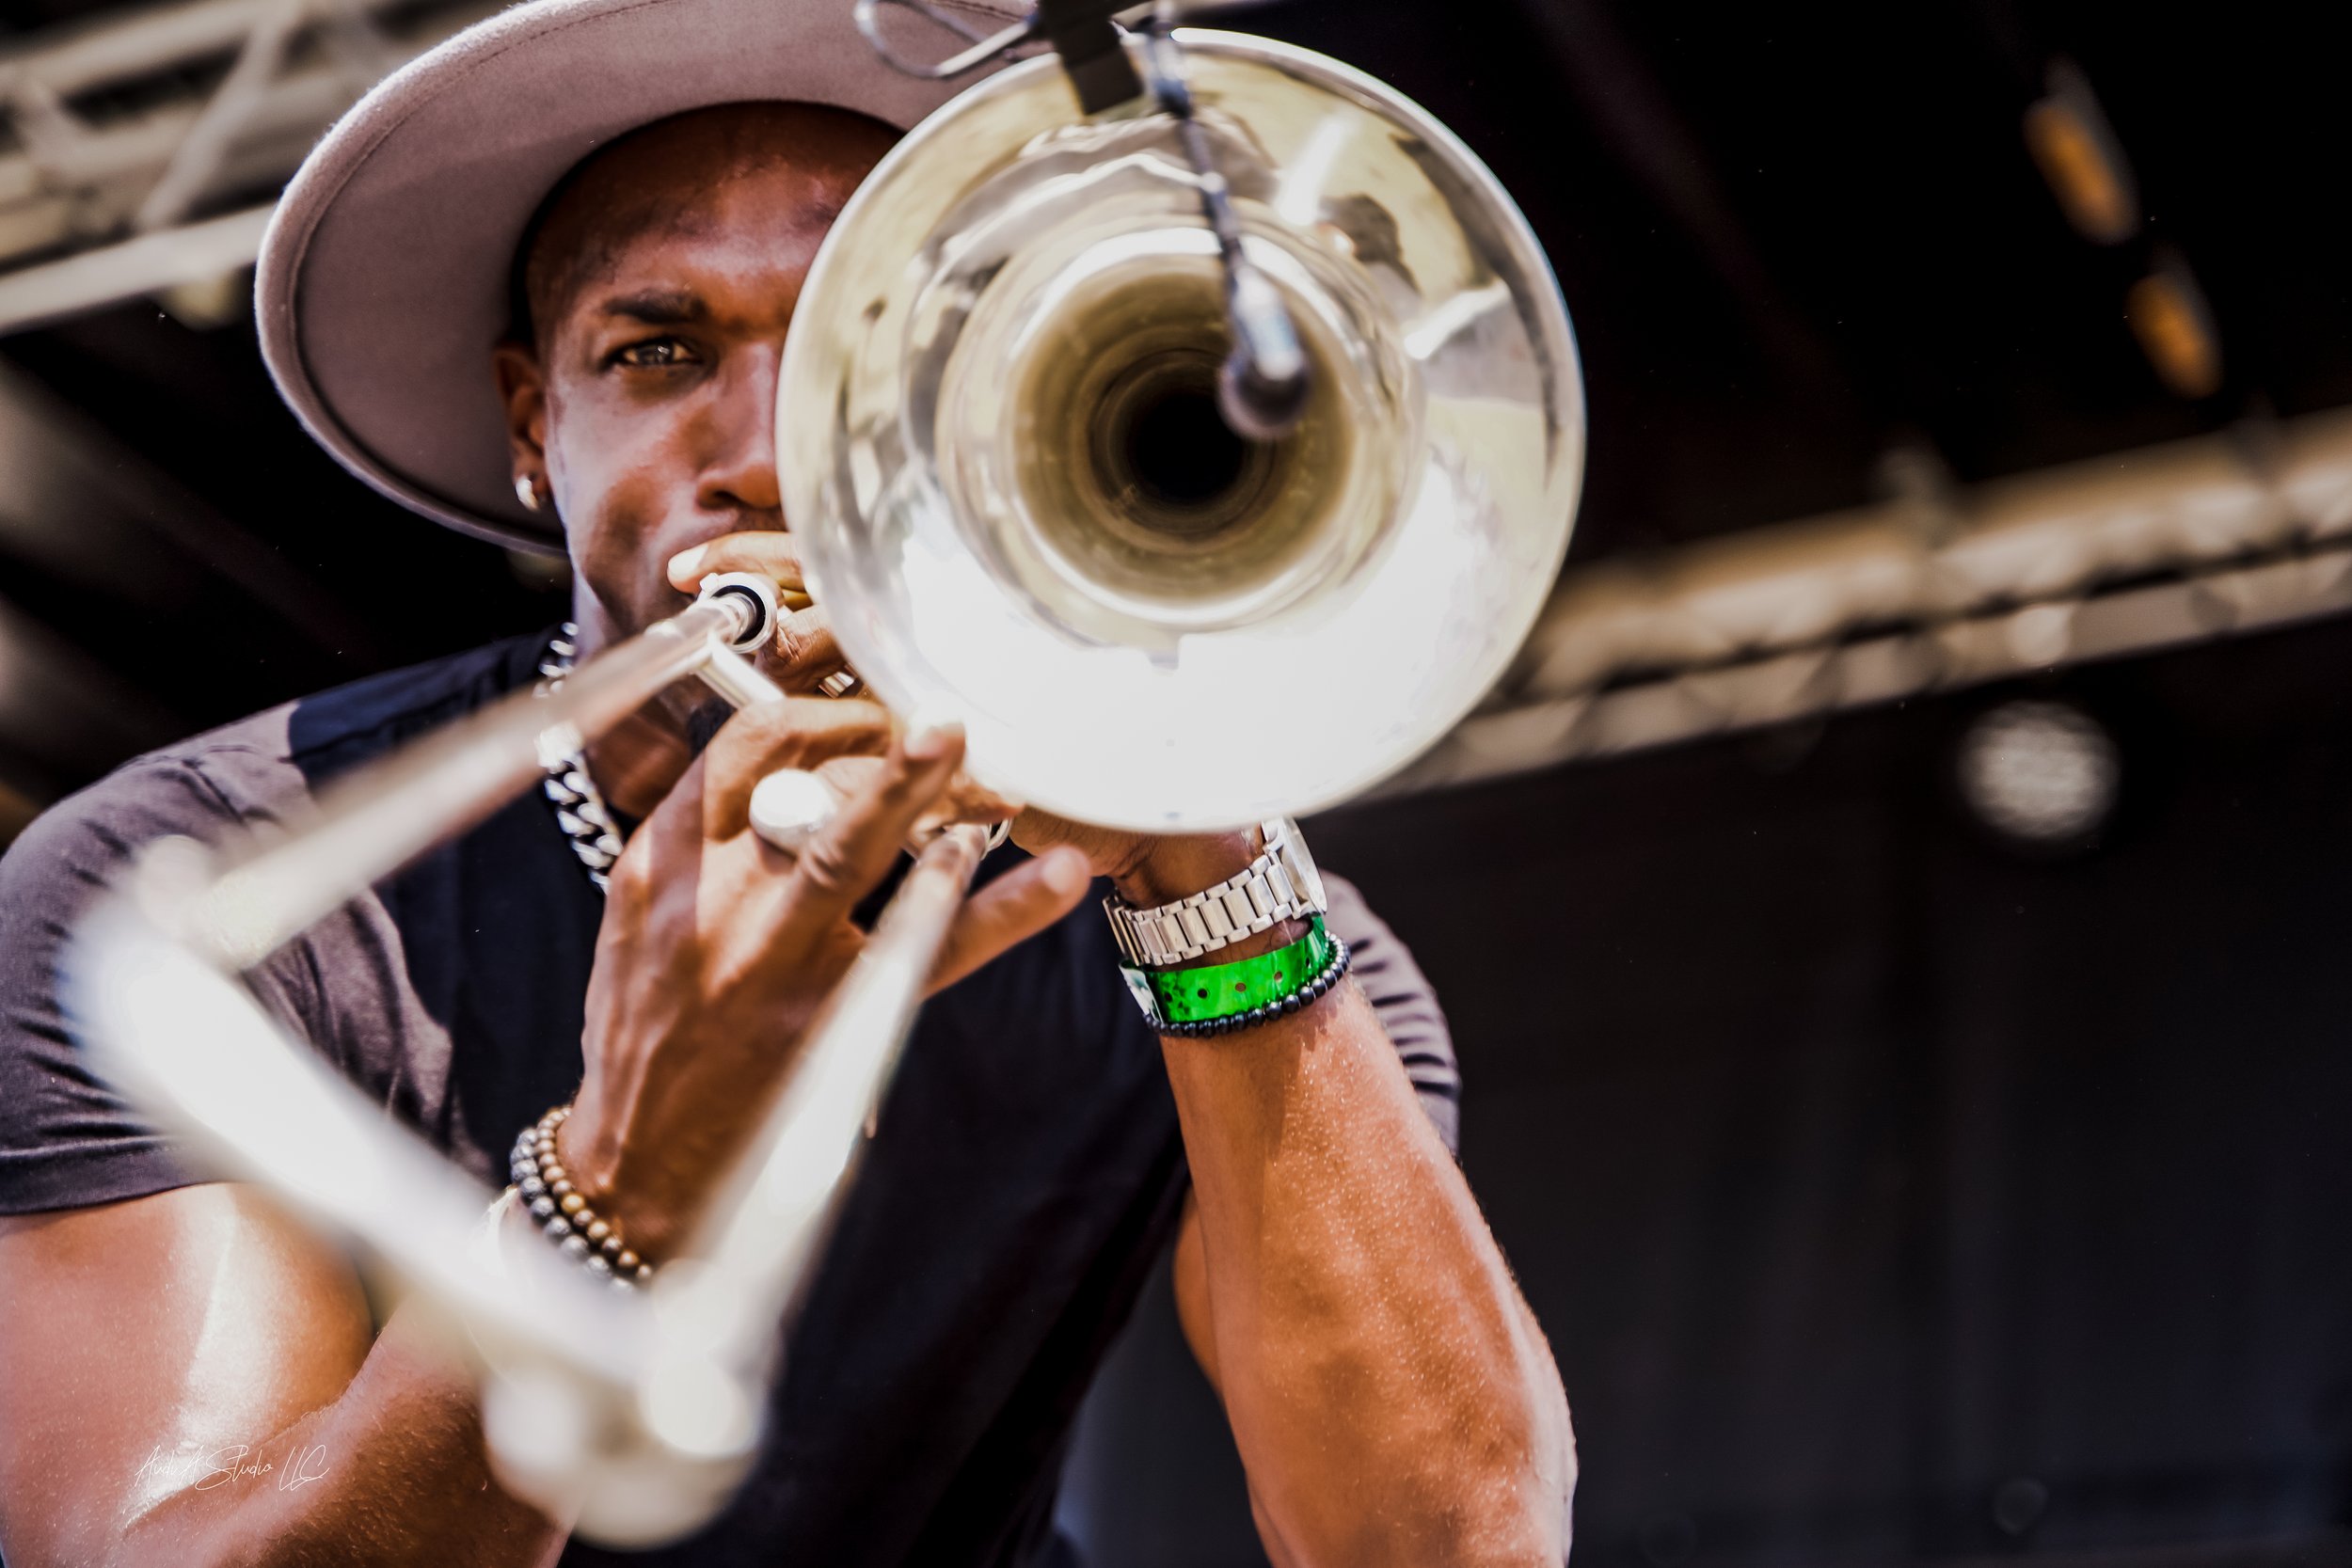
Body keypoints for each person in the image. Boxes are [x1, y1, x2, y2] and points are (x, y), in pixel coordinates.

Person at [0, 0, 1573, 1563]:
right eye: (660, 349)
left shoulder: (1267, 924)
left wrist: (1209, 852)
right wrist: (614, 1189)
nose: (766, 444)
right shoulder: (194, 876)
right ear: (535, 424)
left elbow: (1451, 1547)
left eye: (862, 341)